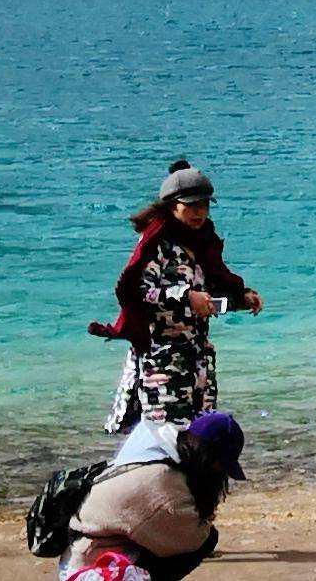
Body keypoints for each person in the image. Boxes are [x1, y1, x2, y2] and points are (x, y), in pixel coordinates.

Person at [100, 160, 259, 434]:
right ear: (172, 206)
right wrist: (185, 296)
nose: (200, 212)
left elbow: (210, 290)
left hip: (198, 360)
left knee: (201, 437)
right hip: (161, 360)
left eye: (205, 205)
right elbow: (137, 291)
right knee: (163, 436)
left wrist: (240, 298)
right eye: (192, 206)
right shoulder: (156, 245)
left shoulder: (202, 244)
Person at [56, 408, 244, 581]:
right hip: (90, 569)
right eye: (220, 467)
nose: (220, 474)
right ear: (207, 455)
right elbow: (194, 538)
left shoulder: (153, 441)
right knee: (207, 539)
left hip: (82, 550)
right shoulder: (164, 484)